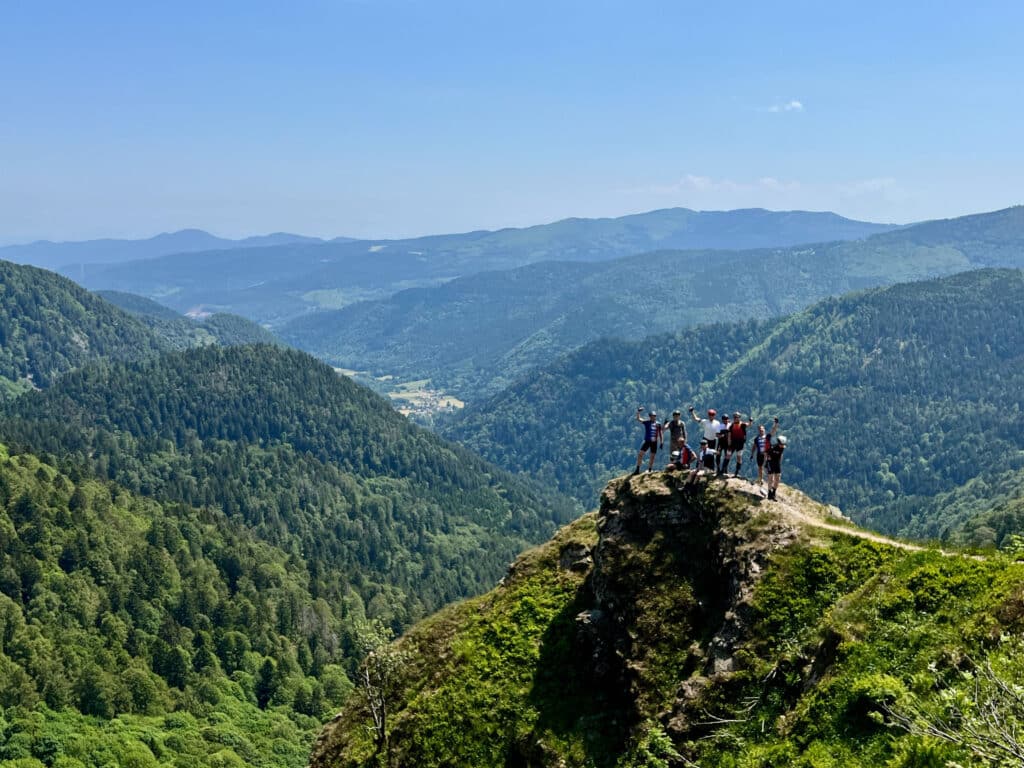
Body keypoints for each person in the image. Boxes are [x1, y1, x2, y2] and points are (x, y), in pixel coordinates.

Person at [633, 407, 663, 475]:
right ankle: (637, 469)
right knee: (640, 454)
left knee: (652, 456)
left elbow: (660, 433)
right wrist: (638, 412)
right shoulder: (647, 422)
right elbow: (638, 419)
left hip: (654, 442)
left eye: (654, 416)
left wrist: (661, 442)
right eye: (652, 416)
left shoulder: (658, 424)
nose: (653, 417)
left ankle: (649, 470)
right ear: (650, 417)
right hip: (647, 441)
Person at [722, 411, 752, 477]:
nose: (736, 418)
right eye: (735, 417)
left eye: (737, 417)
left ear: (739, 418)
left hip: (740, 444)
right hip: (732, 443)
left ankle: (737, 472)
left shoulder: (742, 424)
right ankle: (723, 470)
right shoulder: (731, 425)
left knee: (739, 457)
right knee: (728, 455)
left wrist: (750, 421)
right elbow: (729, 436)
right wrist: (729, 444)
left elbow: (749, 425)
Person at [766, 420, 786, 500]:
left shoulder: (782, 448)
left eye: (784, 445)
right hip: (770, 462)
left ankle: (774, 492)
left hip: (777, 463)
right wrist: (766, 463)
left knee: (778, 478)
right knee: (771, 478)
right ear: (778, 443)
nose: (783, 446)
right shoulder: (772, 447)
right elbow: (766, 454)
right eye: (781, 444)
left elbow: (781, 455)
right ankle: (769, 493)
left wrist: (780, 463)